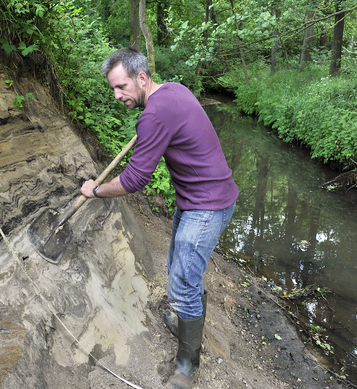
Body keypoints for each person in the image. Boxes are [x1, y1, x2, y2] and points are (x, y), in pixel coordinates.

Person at [80, 48, 238, 388]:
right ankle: (186, 326)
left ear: (141, 77)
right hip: (202, 198)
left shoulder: (154, 115)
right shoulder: (173, 91)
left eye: (121, 86)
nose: (117, 95)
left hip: (207, 205)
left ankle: (186, 366)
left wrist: (95, 190)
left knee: (182, 283)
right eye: (112, 89)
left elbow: (135, 180)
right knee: (180, 269)